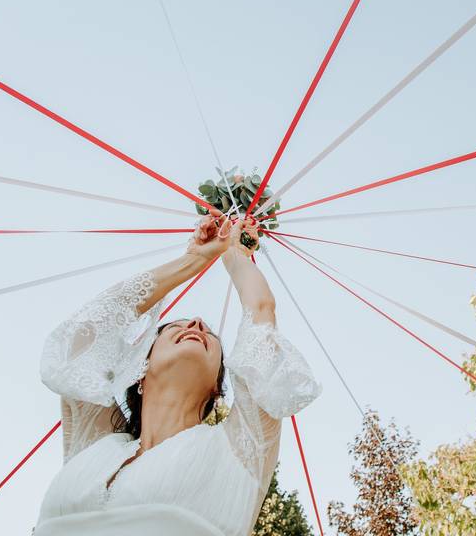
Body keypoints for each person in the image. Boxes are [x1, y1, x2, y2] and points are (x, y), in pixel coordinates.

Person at [33, 213, 322, 536]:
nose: (197, 323)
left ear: (217, 389)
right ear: (140, 370)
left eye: (211, 336)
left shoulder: (238, 449)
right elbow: (79, 342)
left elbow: (262, 315)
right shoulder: (96, 443)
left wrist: (235, 255)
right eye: (174, 327)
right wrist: (193, 260)